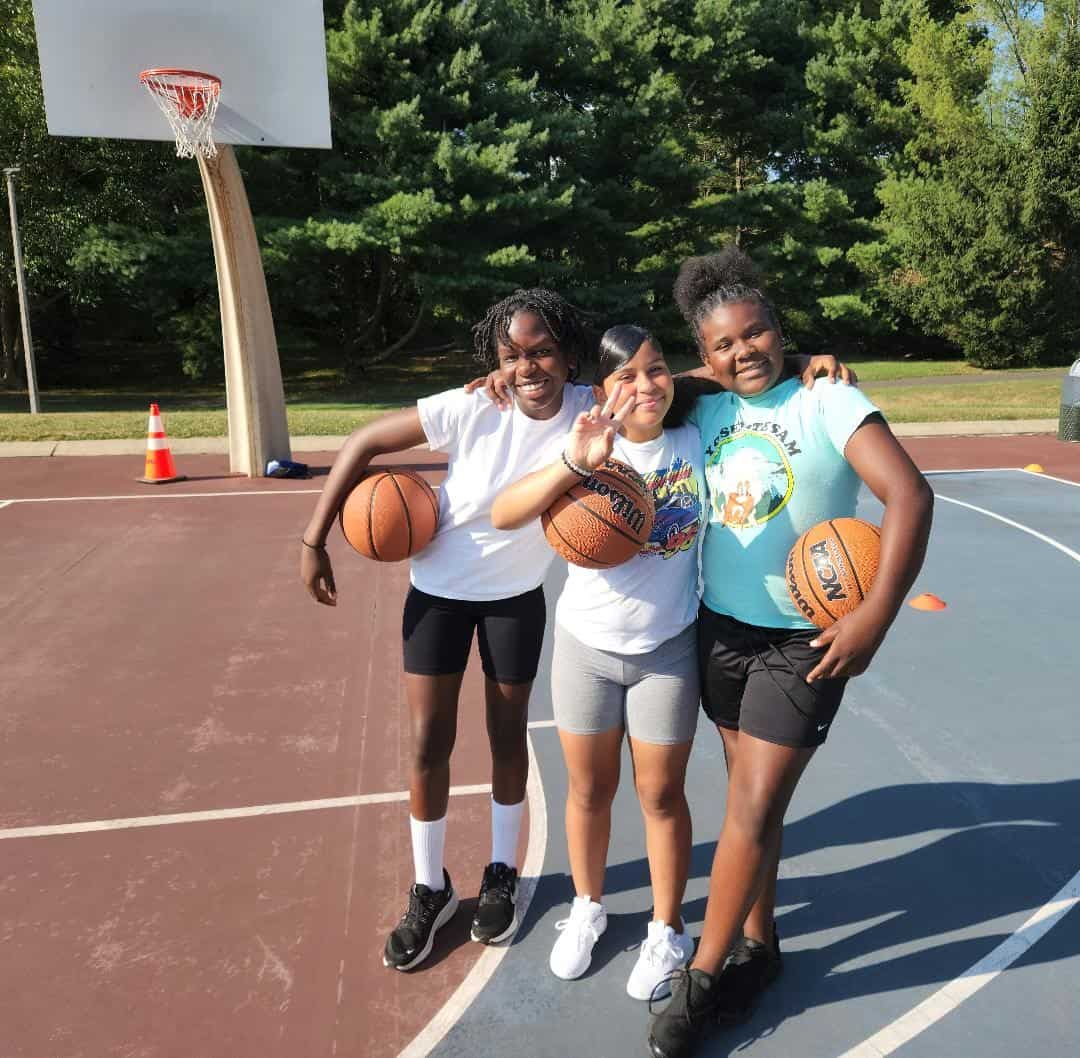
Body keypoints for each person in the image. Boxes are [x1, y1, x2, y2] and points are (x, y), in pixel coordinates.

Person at [646, 247, 933, 1058]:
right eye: (724, 345)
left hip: (805, 640)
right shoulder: (701, 408)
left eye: (758, 333)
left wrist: (875, 618)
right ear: (704, 357)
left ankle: (699, 984)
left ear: (780, 328)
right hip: (721, 629)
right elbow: (629, 392)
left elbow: (911, 494)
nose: (745, 352)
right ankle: (760, 949)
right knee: (749, 801)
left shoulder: (829, 400)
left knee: (753, 807)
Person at [300, 289, 596, 971]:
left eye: (542, 350)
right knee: (430, 741)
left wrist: (803, 364)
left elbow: (665, 379)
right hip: (436, 594)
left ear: (568, 353)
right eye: (512, 353)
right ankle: (429, 886)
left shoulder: (588, 405)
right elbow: (367, 441)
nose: (528, 365)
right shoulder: (472, 405)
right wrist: (314, 538)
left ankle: (500, 873)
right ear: (496, 359)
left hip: (514, 599)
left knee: (506, 737)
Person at [491, 325, 705, 1000]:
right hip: (586, 648)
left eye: (657, 370)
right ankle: (588, 906)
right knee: (588, 790)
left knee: (661, 795)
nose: (645, 385)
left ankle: (668, 929)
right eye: (627, 376)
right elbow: (504, 512)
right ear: (601, 392)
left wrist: (813, 360)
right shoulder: (583, 448)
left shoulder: (698, 438)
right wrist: (576, 462)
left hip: (668, 649)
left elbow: (735, 371)